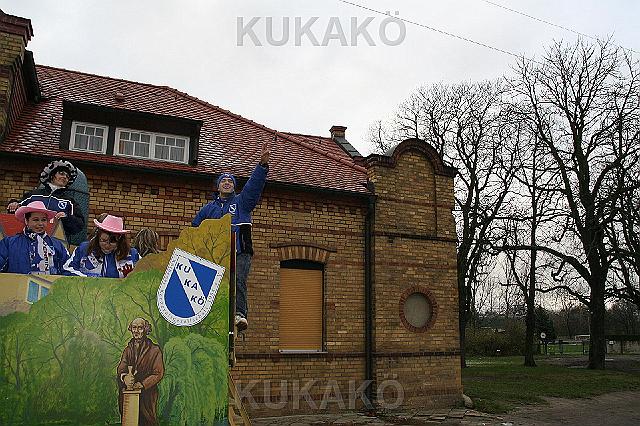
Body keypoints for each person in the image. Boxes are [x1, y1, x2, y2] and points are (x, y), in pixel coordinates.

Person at [192, 140, 270, 331]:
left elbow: (253, 187)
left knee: (238, 280)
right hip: (216, 253)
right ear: (218, 187)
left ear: (234, 187)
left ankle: (240, 314)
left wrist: (262, 166)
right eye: (223, 181)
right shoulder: (208, 209)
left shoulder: (242, 203)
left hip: (240, 250)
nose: (227, 183)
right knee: (214, 283)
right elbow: (194, 230)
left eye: (230, 181)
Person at [6, 159, 85, 237]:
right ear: (52, 176)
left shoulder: (70, 201)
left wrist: (66, 218)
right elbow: (17, 211)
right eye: (61, 173)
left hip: (55, 241)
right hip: (28, 239)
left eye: (67, 177)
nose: (64, 177)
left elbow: (79, 226)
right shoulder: (33, 195)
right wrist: (13, 204)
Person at [117, 317, 164, 426]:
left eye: (140, 328)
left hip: (147, 395)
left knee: (147, 421)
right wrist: (124, 377)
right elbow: (121, 368)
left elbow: (158, 373)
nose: (136, 331)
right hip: (129, 396)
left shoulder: (154, 350)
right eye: (134, 328)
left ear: (146, 330)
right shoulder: (127, 350)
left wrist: (142, 384)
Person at [0, 201, 70, 275]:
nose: (40, 223)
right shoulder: (9, 243)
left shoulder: (57, 245)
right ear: (26, 221)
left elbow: (68, 270)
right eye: (36, 220)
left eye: (43, 220)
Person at [64, 214, 140, 278]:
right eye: (103, 240)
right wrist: (87, 279)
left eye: (113, 241)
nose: (107, 245)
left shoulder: (132, 254)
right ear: (98, 236)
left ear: (120, 240)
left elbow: (144, 272)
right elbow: (67, 269)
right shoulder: (84, 249)